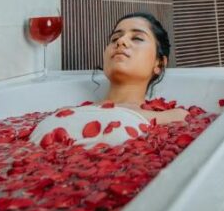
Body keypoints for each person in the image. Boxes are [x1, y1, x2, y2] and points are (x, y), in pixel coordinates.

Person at [30, 13, 187, 148]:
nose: (120, 41)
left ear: (158, 63)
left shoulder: (174, 117)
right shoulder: (67, 110)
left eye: (137, 38)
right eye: (115, 38)